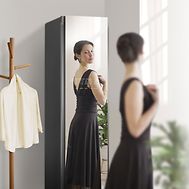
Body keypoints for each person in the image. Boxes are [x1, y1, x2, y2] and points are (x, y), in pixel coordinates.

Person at [105, 32, 159, 189]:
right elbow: (135, 130)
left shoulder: (134, 83)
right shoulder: (134, 84)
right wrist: (155, 104)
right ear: (140, 51)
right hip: (133, 156)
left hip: (136, 153)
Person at [65, 40, 107, 189]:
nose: (90, 55)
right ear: (78, 55)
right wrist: (106, 84)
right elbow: (102, 101)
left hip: (77, 121)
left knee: (79, 160)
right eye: (86, 52)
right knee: (86, 159)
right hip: (88, 121)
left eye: (92, 51)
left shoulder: (77, 74)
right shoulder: (91, 74)